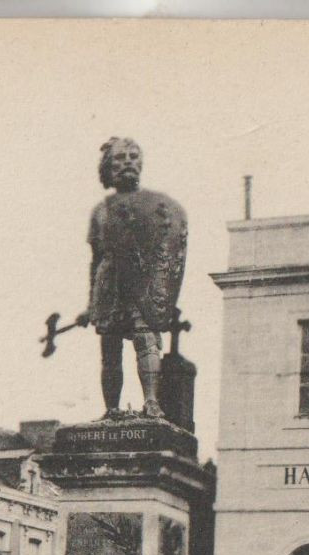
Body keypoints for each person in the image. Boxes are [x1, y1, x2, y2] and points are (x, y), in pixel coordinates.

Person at [85, 137, 188, 419]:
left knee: (146, 340)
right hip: (109, 284)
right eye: (119, 158)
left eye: (133, 156)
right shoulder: (101, 211)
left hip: (143, 282)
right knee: (110, 348)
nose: (127, 162)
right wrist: (90, 303)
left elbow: (167, 249)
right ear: (108, 167)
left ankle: (152, 402)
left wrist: (163, 293)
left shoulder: (157, 206)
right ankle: (111, 409)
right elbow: (95, 259)